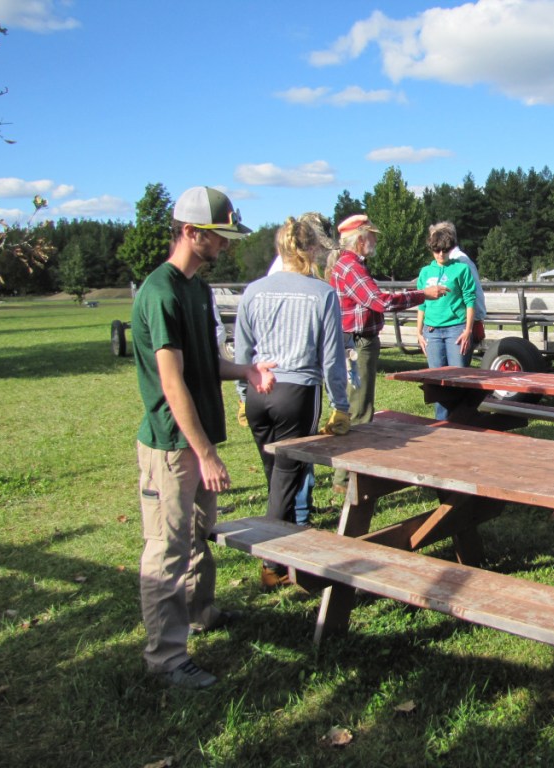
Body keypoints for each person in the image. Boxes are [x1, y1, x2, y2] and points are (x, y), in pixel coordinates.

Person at [131, 186, 276, 689]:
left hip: (194, 443)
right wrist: (206, 453)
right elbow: (172, 383)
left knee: (198, 538)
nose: (227, 247)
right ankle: (167, 659)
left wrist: (246, 370)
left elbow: (203, 364)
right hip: (174, 446)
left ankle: (200, 614)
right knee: (167, 551)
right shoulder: (161, 293)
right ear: (191, 233)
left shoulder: (196, 289)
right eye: (220, 238)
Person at [235, 216, 351, 589]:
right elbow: (332, 358)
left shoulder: (253, 291)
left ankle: (281, 555)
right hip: (297, 393)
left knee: (275, 477)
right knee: (287, 481)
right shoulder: (321, 293)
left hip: (259, 392)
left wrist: (241, 396)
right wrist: (341, 405)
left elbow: (242, 349)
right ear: (313, 250)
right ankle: (274, 563)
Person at [329, 214, 449, 492]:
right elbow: (379, 302)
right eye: (372, 236)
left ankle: (345, 476)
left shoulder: (347, 265)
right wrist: (423, 294)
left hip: (352, 342)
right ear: (360, 239)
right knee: (360, 411)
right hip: (357, 344)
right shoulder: (352, 267)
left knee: (352, 406)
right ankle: (349, 478)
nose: (376, 241)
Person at [417, 223, 478, 418]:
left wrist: (468, 330)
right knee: (436, 382)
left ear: (450, 248)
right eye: (436, 250)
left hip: (456, 330)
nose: (440, 254)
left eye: (444, 250)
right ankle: (441, 423)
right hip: (432, 332)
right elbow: (421, 304)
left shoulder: (461, 269)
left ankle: (460, 422)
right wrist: (419, 332)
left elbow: (470, 299)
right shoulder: (425, 272)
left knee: (458, 378)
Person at [429, 221, 487, 365]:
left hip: (458, 325)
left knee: (457, 373)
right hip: (441, 325)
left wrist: (476, 321)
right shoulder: (439, 263)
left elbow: (474, 294)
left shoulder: (462, 261)